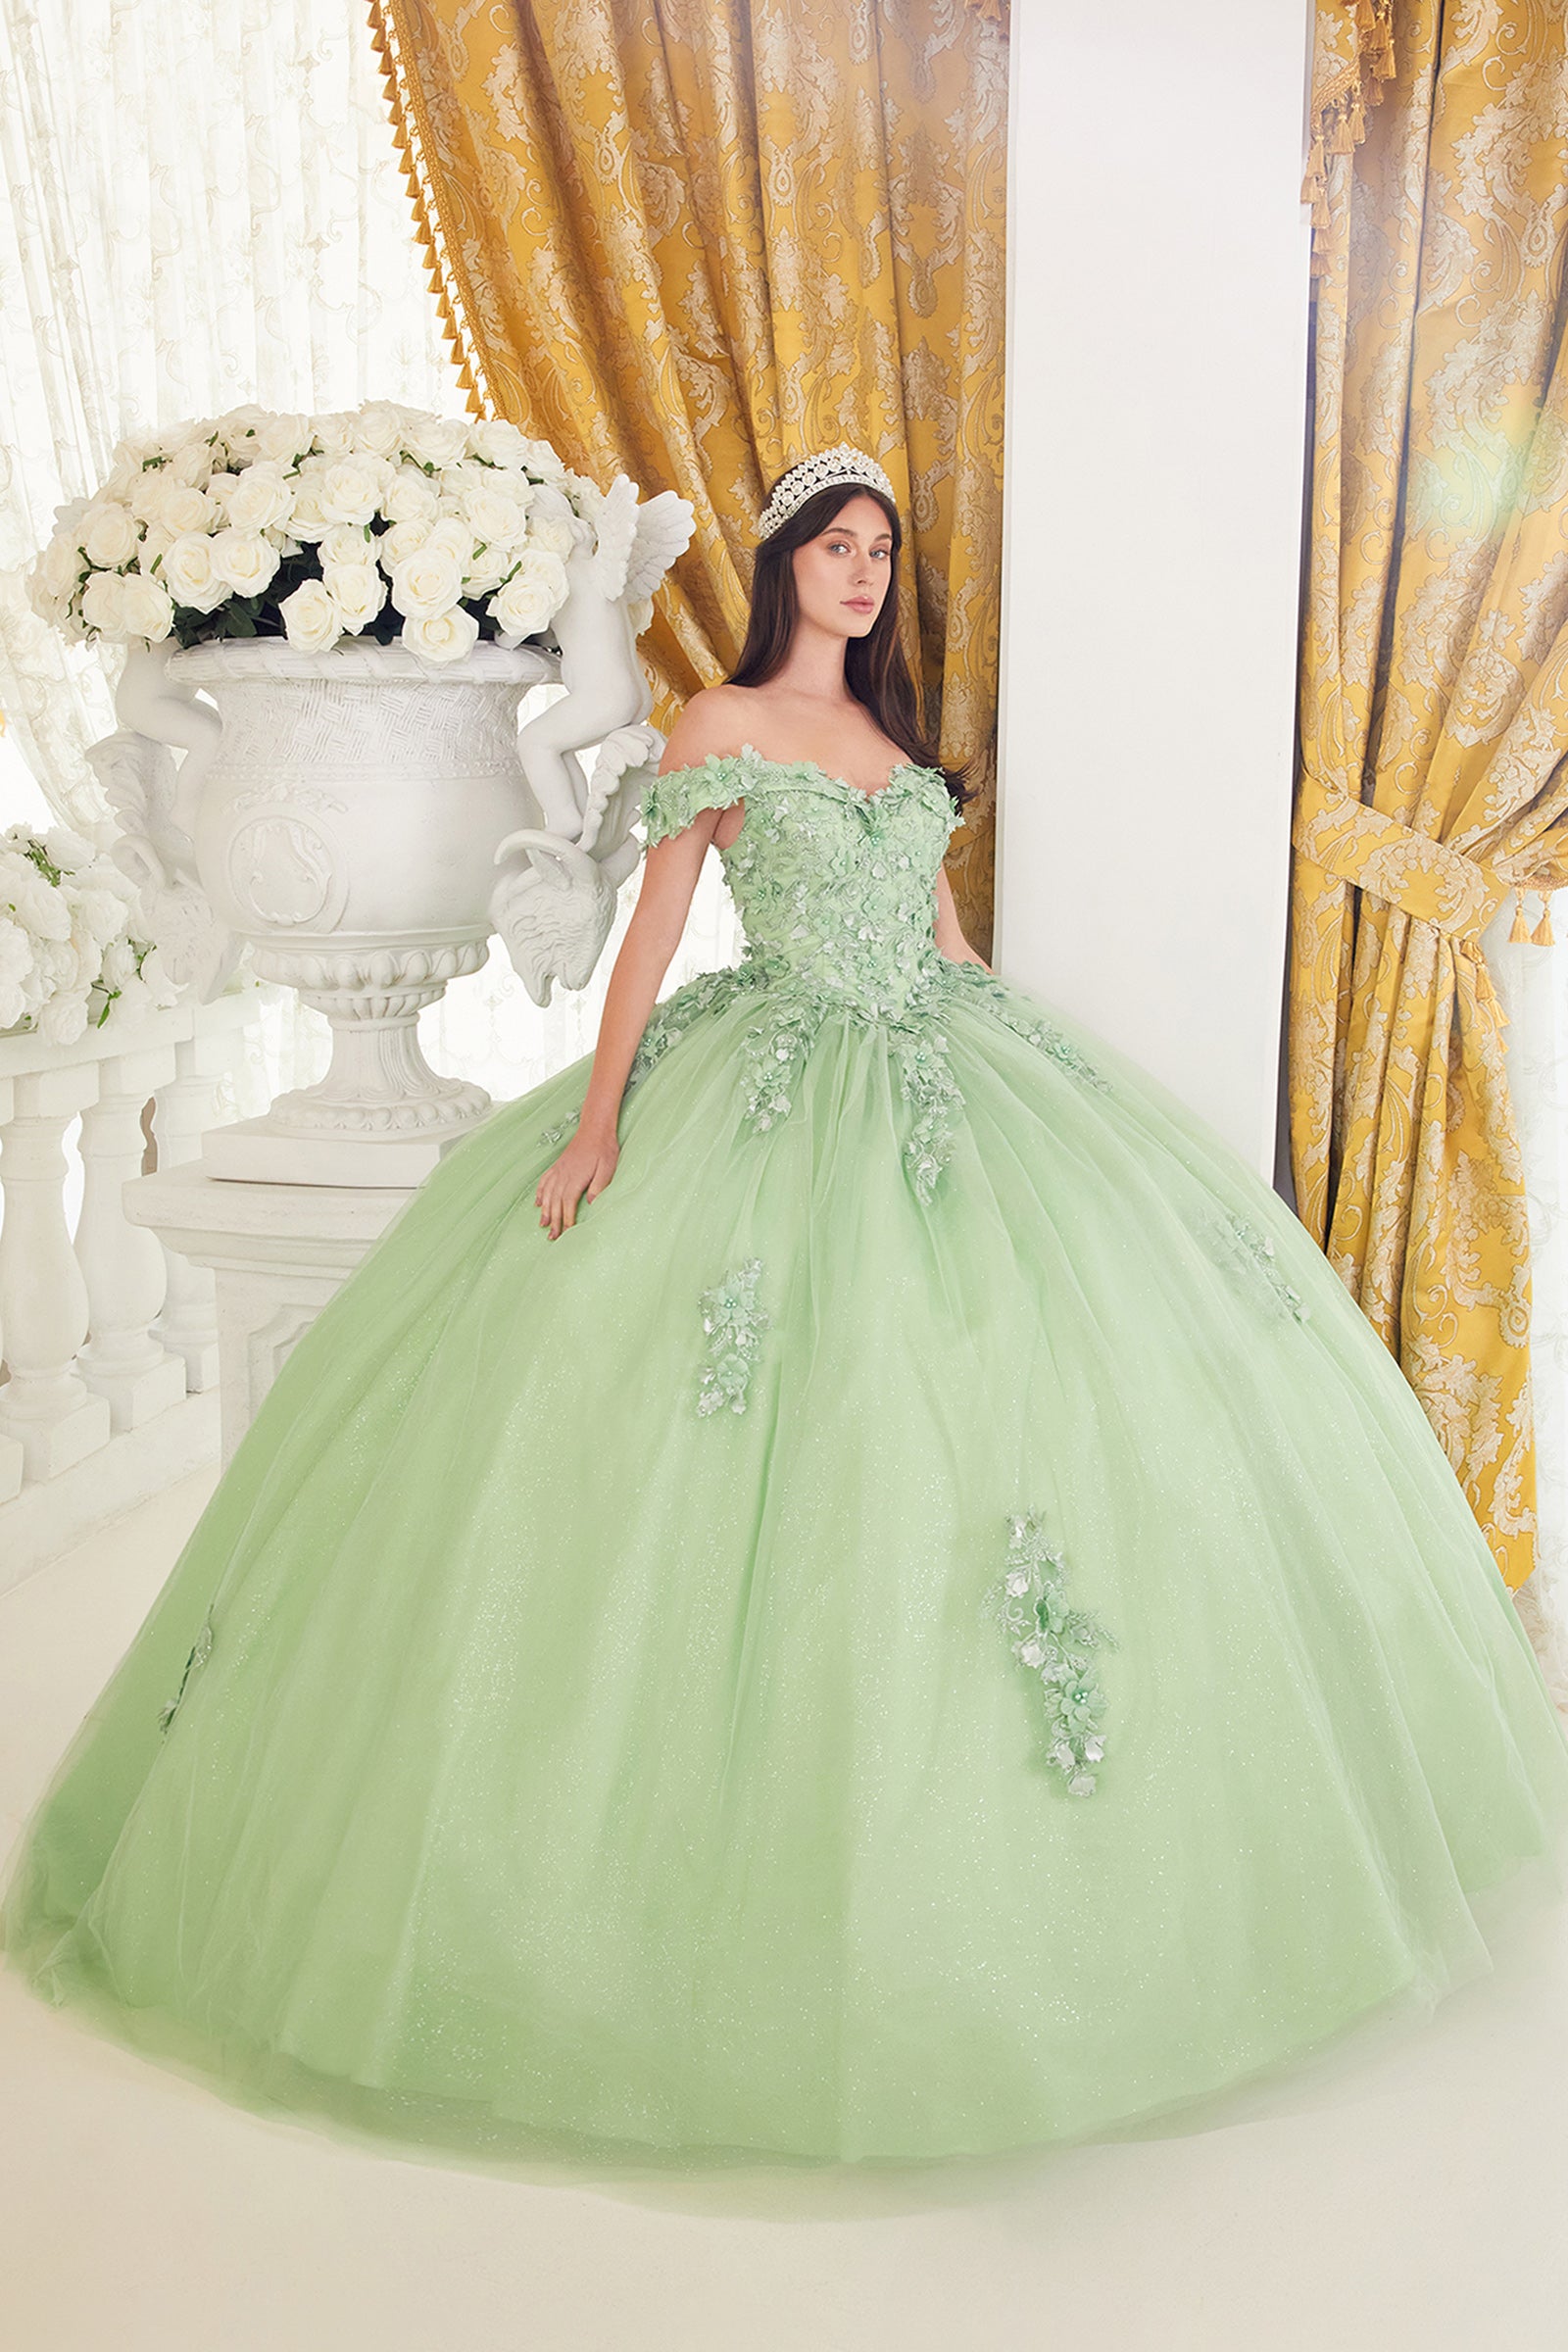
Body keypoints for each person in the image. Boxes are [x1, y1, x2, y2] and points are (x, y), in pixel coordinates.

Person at [5, 446, 1568, 2178]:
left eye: (880, 547)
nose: (863, 568)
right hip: (770, 1072)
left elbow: (948, 943)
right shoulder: (722, 725)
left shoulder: (894, 744)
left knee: (1005, 1392)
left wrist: (1040, 1083)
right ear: (784, 568)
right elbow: (653, 938)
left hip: (943, 1062)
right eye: (836, 544)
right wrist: (598, 1124)